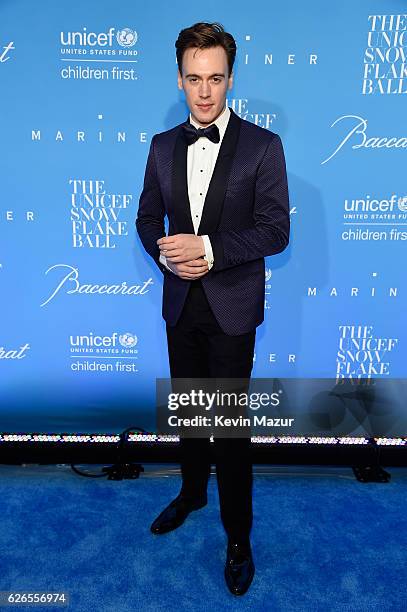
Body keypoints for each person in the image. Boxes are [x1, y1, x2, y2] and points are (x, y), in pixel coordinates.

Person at [136, 22, 290, 596]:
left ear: (230, 78)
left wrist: (209, 250)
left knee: (229, 428)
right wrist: (168, 254)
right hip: (181, 304)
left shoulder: (262, 146)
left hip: (231, 308)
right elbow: (147, 219)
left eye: (216, 79)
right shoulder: (160, 146)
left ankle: (238, 536)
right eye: (194, 79)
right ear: (180, 79)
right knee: (192, 415)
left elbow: (275, 232)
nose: (205, 91)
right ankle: (192, 491)